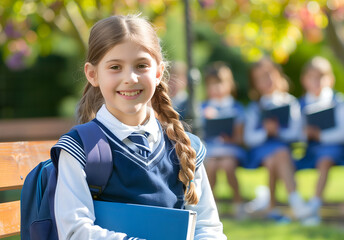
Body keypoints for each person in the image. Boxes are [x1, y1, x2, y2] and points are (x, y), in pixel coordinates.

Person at [53, 14, 226, 240]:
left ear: (157, 73)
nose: (130, 78)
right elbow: (75, 231)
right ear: (93, 74)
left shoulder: (186, 147)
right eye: (115, 67)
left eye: (141, 65)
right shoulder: (79, 149)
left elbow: (208, 228)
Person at [244, 57, 305, 223]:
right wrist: (265, 131)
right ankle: (295, 201)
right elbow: (249, 137)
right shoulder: (255, 107)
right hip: (261, 150)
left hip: (282, 149)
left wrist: (278, 131)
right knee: (280, 153)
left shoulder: (290, 102)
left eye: (269, 75)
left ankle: (271, 207)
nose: (267, 81)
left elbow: (296, 132)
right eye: (261, 78)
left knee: (276, 158)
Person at [297, 56, 344, 225]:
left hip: (334, 149)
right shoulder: (300, 104)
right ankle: (298, 205)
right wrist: (306, 134)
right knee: (283, 161)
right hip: (310, 150)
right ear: (304, 80)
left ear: (330, 79)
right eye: (312, 77)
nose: (316, 82)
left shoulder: (339, 101)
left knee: (325, 159)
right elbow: (296, 132)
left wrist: (320, 135)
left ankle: (315, 203)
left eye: (320, 77)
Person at [200, 62, 247, 219]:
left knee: (227, 165)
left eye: (220, 83)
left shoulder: (236, 107)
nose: (216, 88)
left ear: (229, 84)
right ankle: (211, 206)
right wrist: (204, 119)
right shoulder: (203, 107)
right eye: (212, 84)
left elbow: (240, 138)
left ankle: (238, 202)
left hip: (231, 149)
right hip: (211, 150)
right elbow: (199, 136)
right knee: (211, 166)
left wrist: (230, 138)